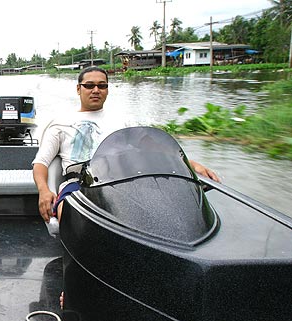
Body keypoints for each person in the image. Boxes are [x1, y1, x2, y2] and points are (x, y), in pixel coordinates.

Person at [32, 65, 220, 224]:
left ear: (107, 89)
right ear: (78, 89)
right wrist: (43, 190)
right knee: (70, 212)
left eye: (102, 86)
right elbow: (41, 162)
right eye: (89, 85)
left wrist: (190, 164)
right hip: (79, 183)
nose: (96, 90)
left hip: (122, 179)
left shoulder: (124, 121)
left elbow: (152, 146)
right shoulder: (60, 123)